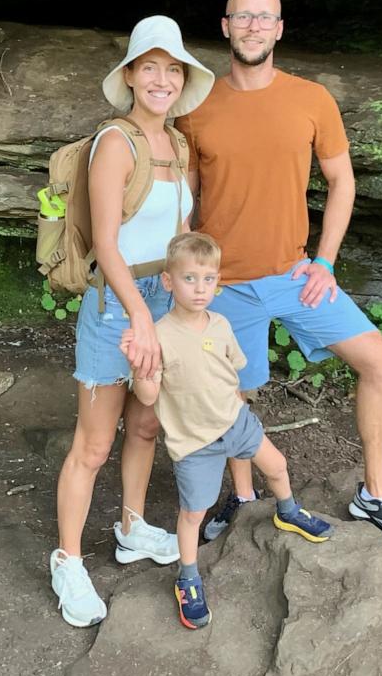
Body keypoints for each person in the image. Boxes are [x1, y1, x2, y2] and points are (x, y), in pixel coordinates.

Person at [175, 0, 382, 559]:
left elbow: (342, 182)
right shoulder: (197, 106)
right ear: (225, 26)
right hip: (225, 285)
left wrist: (325, 261)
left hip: (296, 275)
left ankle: (377, 494)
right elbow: (186, 202)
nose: (254, 27)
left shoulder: (312, 98)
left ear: (280, 29)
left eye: (265, 18)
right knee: (232, 392)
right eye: (243, 17)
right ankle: (239, 498)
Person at [50, 16, 216, 628]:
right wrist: (142, 317)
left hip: (163, 295)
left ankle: (132, 527)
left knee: (145, 425)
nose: (162, 79)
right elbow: (107, 244)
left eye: (173, 70)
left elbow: (182, 235)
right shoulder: (113, 144)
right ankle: (67, 559)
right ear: (129, 76)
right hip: (118, 302)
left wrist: (184, 305)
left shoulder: (180, 146)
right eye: (151, 67)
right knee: (93, 444)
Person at [122, 232, 331, 629]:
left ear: (218, 283)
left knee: (277, 466)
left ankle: (287, 511)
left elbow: (232, 371)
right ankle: (188, 577)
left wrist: (238, 413)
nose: (199, 289)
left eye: (208, 279)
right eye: (189, 279)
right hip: (194, 444)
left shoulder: (219, 323)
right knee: (193, 513)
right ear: (168, 281)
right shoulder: (160, 335)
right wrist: (139, 366)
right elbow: (147, 398)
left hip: (235, 423)